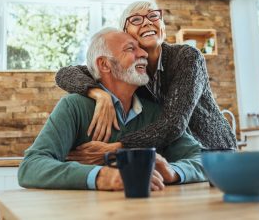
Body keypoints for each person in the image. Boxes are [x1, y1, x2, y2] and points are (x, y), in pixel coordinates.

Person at [18, 28, 206, 191]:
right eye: (131, 49)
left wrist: (173, 172)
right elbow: (31, 166)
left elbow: (202, 159)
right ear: (104, 64)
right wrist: (104, 176)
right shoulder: (74, 106)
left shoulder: (155, 112)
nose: (144, 54)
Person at [55, 1, 237, 155]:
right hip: (176, 156)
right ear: (125, 34)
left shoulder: (187, 57)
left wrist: (118, 147)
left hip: (214, 151)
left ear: (162, 27)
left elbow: (173, 124)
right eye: (136, 19)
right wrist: (99, 94)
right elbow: (65, 74)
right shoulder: (128, 70)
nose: (147, 23)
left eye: (153, 16)